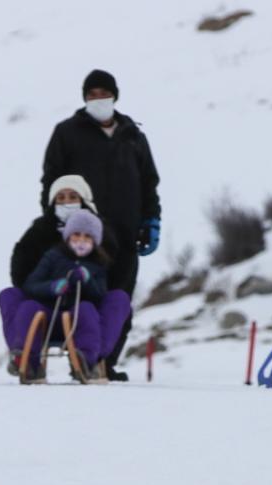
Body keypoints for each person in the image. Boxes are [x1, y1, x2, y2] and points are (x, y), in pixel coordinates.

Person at [40, 69, 160, 380]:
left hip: (126, 233)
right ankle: (83, 358)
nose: (98, 99)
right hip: (82, 234)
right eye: (91, 95)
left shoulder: (134, 136)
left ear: (114, 96)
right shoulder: (67, 132)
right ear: (84, 98)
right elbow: (50, 180)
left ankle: (104, 363)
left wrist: (151, 219)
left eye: (103, 93)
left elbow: (149, 182)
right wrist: (51, 219)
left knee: (120, 300)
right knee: (85, 298)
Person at [13, 210, 129, 382]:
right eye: (76, 234)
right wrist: (52, 287)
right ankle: (29, 362)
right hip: (51, 314)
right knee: (28, 308)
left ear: (95, 241)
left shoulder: (98, 263)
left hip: (78, 320)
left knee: (86, 309)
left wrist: (87, 280)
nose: (81, 241)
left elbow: (100, 295)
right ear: (67, 236)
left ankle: (87, 360)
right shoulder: (53, 256)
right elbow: (31, 285)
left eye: (87, 237)